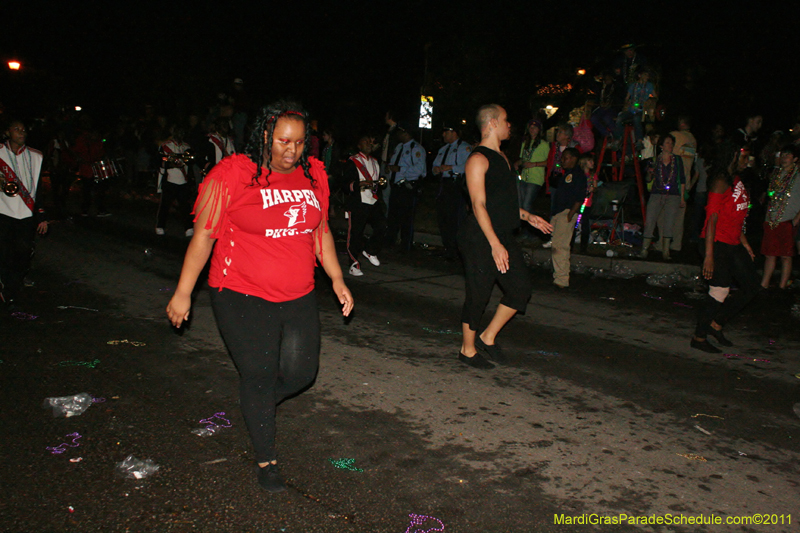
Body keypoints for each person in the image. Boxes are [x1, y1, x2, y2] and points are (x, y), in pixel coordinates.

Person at [166, 100, 354, 493]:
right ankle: (266, 458)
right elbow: (204, 235)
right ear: (265, 137)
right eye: (284, 141)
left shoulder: (313, 175)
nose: (292, 150)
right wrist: (184, 292)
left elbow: (319, 231)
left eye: (300, 143)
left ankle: (257, 405)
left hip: (298, 292)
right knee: (260, 372)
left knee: (303, 373)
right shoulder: (234, 174)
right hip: (239, 292)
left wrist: (337, 278)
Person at [458, 104, 552, 369]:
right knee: (478, 294)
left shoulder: (504, 157)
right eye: (506, 120)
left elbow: (503, 203)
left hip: (501, 235)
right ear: (491, 123)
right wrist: (495, 244)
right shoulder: (478, 159)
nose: (510, 125)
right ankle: (466, 350)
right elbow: (478, 205)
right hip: (480, 237)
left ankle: (488, 336)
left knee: (520, 289)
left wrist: (528, 216)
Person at [692, 150, 759, 353]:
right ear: (732, 158)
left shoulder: (736, 180)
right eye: (743, 157)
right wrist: (709, 256)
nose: (747, 162)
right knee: (720, 290)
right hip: (715, 242)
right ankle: (699, 337)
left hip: (733, 241)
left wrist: (745, 244)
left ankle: (717, 324)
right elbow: (712, 218)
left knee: (752, 286)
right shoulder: (721, 181)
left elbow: (735, 217)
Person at [0, 119, 47, 310]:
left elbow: (39, 188)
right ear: (7, 133)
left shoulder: (36, 156)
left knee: (23, 253)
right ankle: (8, 291)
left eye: (24, 129)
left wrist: (41, 215)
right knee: (4, 253)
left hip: (26, 213)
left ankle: (9, 285)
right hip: (2, 210)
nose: (21, 132)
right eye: (16, 129)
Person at [344, 134, 386, 276]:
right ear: (359, 146)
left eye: (370, 142)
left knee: (382, 226)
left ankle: (370, 250)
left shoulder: (375, 161)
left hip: (372, 201)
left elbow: (378, 182)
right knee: (356, 234)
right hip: (358, 202)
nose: (369, 144)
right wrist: (358, 184)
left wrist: (380, 183)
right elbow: (345, 183)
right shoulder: (353, 161)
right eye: (365, 142)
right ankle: (354, 263)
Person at [639, 134, 685, 260]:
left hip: (673, 195)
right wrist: (650, 173)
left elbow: (682, 180)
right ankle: (644, 249)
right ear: (661, 146)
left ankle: (665, 251)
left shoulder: (677, 160)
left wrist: (682, 198)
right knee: (650, 221)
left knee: (669, 223)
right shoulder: (654, 160)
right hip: (656, 193)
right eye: (667, 143)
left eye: (671, 143)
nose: (670, 146)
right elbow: (648, 179)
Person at [760, 145, 800, 289]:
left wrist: (796, 219)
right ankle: (764, 284)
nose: (784, 158)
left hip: (788, 219)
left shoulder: (797, 176)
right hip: (772, 218)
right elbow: (771, 194)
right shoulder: (776, 175)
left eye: (788, 155)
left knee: (785, 255)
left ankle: (782, 286)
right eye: (783, 155)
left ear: (795, 159)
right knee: (770, 253)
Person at [385, 122, 426, 252]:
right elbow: (392, 164)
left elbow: (420, 170)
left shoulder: (416, 149)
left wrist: (399, 169)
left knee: (407, 218)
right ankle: (390, 242)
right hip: (396, 186)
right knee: (393, 216)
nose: (398, 134)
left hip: (408, 187)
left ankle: (405, 246)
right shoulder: (399, 147)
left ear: (407, 133)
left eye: (401, 132)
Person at [432, 124, 472, 259]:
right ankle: (448, 247)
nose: (443, 135)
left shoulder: (464, 147)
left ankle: (456, 250)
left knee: (454, 218)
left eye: (445, 132)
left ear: (453, 132)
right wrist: (436, 169)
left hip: (456, 185)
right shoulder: (443, 149)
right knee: (443, 217)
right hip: (443, 185)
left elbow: (469, 166)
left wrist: (451, 167)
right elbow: (435, 165)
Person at [550, 148, 586, 288]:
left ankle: (562, 279)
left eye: (565, 158)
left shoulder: (577, 175)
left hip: (566, 213)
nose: (562, 160)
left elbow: (580, 197)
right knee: (556, 245)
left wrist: (570, 214)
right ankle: (558, 275)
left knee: (561, 247)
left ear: (573, 158)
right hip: (559, 213)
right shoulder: (567, 174)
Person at [663, 115, 697, 253]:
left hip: (672, 181)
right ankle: (676, 244)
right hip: (686, 182)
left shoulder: (675, 136)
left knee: (664, 215)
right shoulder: (693, 140)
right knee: (679, 217)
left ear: (681, 123)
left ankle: (662, 243)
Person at [155, 126, 194, 237]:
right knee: (165, 205)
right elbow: (159, 161)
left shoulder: (186, 146)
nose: (180, 134)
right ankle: (160, 226)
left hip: (183, 180)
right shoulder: (166, 145)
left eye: (182, 132)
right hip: (170, 179)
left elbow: (191, 161)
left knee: (185, 206)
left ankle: (188, 227)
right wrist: (170, 164)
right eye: (178, 131)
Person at [514, 119, 549, 239]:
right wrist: (518, 163)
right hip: (524, 176)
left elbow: (549, 162)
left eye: (535, 128)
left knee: (527, 204)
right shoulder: (525, 143)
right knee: (522, 205)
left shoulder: (544, 144)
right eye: (530, 127)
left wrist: (534, 164)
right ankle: (526, 231)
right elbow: (523, 158)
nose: (532, 130)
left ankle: (531, 231)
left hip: (535, 178)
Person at [614, 69, 656, 145]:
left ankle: (639, 140)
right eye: (645, 75)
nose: (647, 77)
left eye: (647, 75)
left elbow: (655, 97)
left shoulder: (649, 85)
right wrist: (627, 103)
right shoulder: (633, 85)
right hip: (631, 109)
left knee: (636, 118)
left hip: (642, 110)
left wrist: (649, 101)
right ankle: (618, 139)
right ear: (640, 75)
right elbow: (627, 98)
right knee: (619, 118)